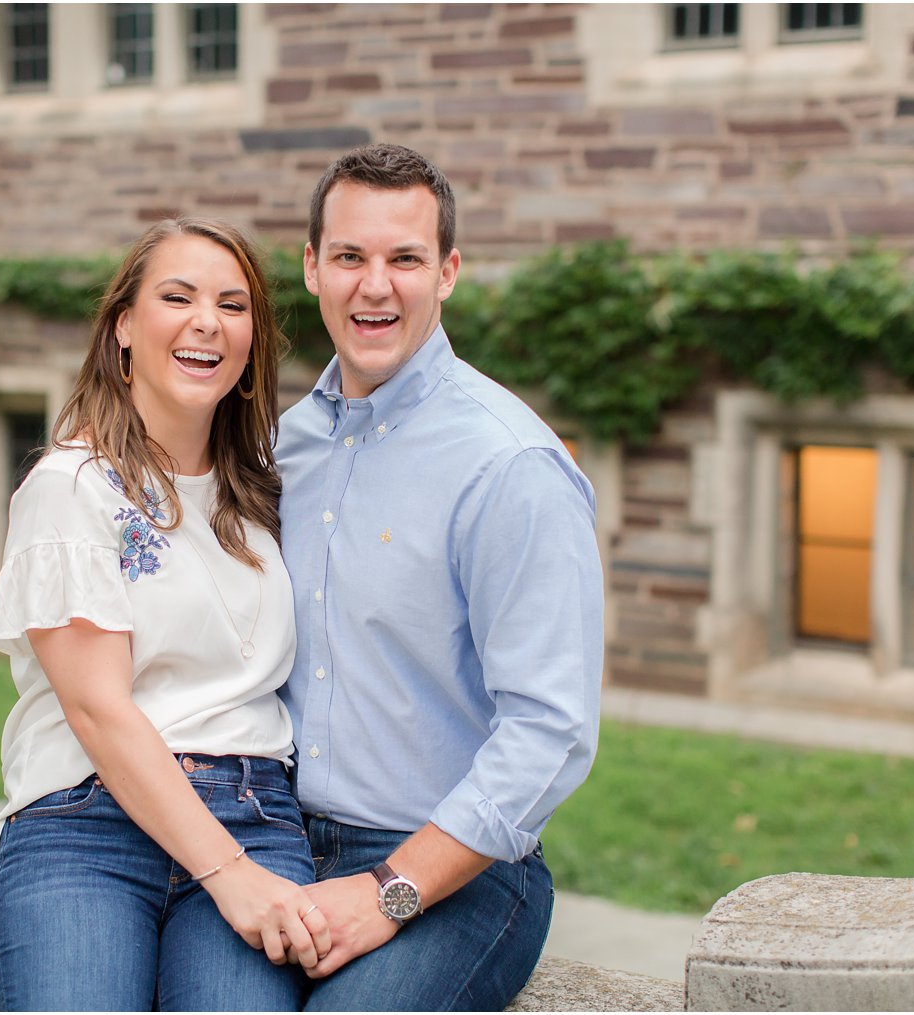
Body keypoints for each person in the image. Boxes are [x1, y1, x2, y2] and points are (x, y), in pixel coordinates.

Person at [275, 143, 604, 1010]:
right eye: (349, 256)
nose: (373, 285)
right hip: (271, 840)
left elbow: (550, 729)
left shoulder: (510, 464)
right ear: (312, 267)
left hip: (455, 876)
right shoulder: (285, 448)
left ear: (448, 272)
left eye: (405, 259)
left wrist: (391, 888)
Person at [0, 217, 330, 1012]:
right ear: (124, 329)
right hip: (88, 818)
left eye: (233, 305)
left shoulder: (266, 493)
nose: (207, 319)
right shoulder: (72, 488)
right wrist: (228, 874)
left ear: (249, 347)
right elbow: (98, 708)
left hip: (254, 810)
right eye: (178, 297)